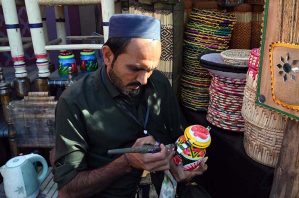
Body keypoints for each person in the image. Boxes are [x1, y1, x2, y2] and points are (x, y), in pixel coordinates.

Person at [53, 14, 207, 198]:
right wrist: (126, 162)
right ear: (108, 56)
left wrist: (180, 165)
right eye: (135, 68)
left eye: (150, 69)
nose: (143, 80)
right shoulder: (75, 102)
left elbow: (177, 138)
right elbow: (68, 190)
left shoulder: (158, 83)